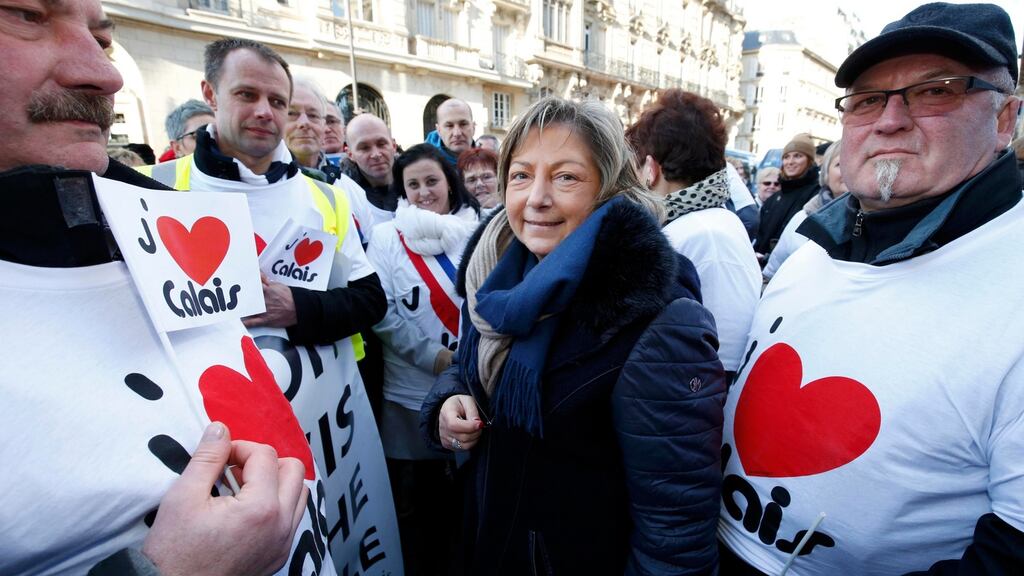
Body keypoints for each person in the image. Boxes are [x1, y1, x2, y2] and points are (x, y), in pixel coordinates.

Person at [0, 0, 325, 573]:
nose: (105, 73)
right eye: (25, 15)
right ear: (210, 95)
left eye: (102, 39)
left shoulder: (148, 217)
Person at [718, 3, 1024, 575]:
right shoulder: (812, 246)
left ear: (1005, 119)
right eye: (866, 100)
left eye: (936, 92)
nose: (889, 120)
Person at [420, 97, 726, 574]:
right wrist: (447, 403)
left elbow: (675, 521)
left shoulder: (655, 315)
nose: (536, 198)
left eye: (566, 177)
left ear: (609, 189)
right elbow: (467, 366)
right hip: (493, 541)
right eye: (521, 175)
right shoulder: (493, 276)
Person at [138, 38, 394, 569]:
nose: (264, 112)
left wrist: (294, 307)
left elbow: (371, 302)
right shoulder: (154, 193)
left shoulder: (326, 195)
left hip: (330, 432)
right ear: (210, 94)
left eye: (277, 101)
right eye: (246, 94)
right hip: (222, 445)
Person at [366, 143, 481, 575]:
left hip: (472, 393)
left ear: (449, 183)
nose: (423, 192)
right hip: (409, 397)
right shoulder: (384, 237)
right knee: (420, 515)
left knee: (465, 508)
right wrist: (435, 358)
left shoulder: (480, 231)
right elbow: (383, 314)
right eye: (412, 184)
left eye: (431, 181)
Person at [627, 88, 761, 377]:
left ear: (651, 169)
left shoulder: (700, 232)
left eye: (634, 168)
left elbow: (722, 358)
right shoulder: (710, 220)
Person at [763, 140, 848, 280]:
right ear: (826, 173)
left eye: (797, 156)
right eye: (840, 165)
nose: (790, 162)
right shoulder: (803, 216)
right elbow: (772, 272)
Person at [753, 133, 820, 263]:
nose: (790, 162)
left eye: (798, 156)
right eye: (786, 157)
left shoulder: (816, 195)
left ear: (809, 160)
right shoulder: (775, 197)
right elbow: (760, 235)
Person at [343, 113, 400, 224]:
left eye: (381, 144)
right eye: (364, 148)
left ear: (393, 146)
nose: (376, 154)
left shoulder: (418, 182)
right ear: (350, 154)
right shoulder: (344, 197)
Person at [425, 98, 475, 167]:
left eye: (463, 124)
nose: (457, 133)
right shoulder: (423, 166)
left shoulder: (487, 162)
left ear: (473, 127)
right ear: (439, 130)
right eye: (449, 126)